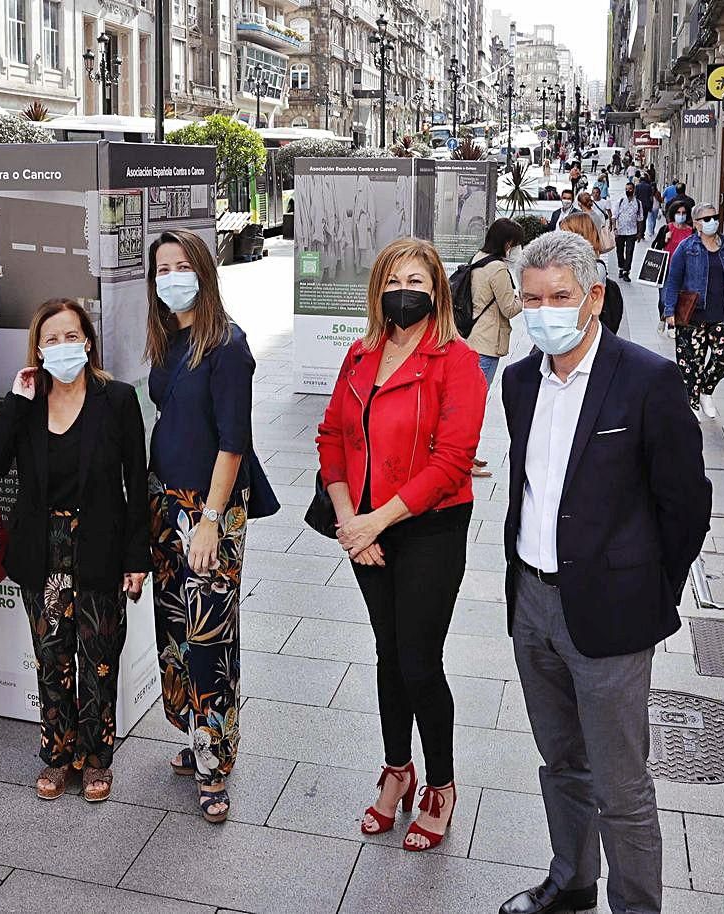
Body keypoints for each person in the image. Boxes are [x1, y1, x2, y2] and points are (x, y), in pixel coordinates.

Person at [497, 230, 712, 914]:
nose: (543, 310)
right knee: (560, 761)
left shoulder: (645, 379)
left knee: (621, 785)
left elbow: (685, 505)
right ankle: (570, 880)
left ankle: (636, 907)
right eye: (530, 299)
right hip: (531, 601)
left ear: (591, 297)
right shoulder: (517, 382)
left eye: (558, 296)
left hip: (612, 616)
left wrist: (649, 594)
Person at [316, 237, 486, 853]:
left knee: (419, 659)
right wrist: (348, 521)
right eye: (394, 280)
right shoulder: (361, 355)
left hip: (428, 526)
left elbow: (453, 461)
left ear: (437, 290)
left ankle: (439, 783)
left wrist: (376, 522)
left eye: (417, 282)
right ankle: (397, 769)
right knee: (388, 654)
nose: (404, 292)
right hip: (363, 526)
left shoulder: (455, 361)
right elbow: (331, 436)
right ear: (377, 288)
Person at [0, 298, 150, 803]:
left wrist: (136, 561)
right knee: (52, 658)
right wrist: (15, 401)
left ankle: (96, 758)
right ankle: (56, 753)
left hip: (100, 544)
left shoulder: (115, 399)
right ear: (37, 350)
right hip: (42, 550)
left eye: (70, 336)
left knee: (98, 659)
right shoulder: (28, 404)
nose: (62, 347)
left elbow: (135, 484)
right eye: (50, 340)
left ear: (88, 341)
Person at [146, 228, 274, 824]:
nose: (170, 275)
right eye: (161, 267)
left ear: (203, 269)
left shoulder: (230, 346)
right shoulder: (170, 338)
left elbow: (233, 443)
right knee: (174, 629)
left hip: (210, 509)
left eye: (180, 264)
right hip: (164, 503)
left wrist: (210, 522)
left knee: (209, 638)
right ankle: (193, 733)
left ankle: (215, 761)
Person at [661, 203, 724, 420]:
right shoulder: (687, 248)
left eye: (714, 217)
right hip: (693, 316)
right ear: (697, 224)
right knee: (691, 364)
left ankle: (706, 391)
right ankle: (691, 400)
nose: (712, 222)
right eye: (706, 219)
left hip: (722, 313)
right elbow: (672, 280)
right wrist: (669, 310)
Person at [467, 219, 525, 475]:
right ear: (508, 243)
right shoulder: (498, 269)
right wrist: (525, 296)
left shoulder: (478, 258)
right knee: (474, 406)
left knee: (469, 403)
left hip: (472, 337)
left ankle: (468, 455)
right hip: (487, 343)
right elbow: (509, 308)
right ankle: (465, 459)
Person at [559, 212, 623, 335]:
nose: (561, 239)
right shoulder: (571, 263)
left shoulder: (595, 269)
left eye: (565, 234)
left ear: (578, 235)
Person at [611, 182, 644, 280]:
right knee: (619, 251)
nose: (628, 191)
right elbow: (614, 216)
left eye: (630, 189)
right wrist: (614, 228)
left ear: (633, 190)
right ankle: (621, 267)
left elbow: (640, 218)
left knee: (629, 251)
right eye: (626, 189)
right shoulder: (620, 201)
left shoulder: (638, 203)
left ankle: (626, 271)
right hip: (620, 231)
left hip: (632, 232)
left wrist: (640, 233)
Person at [635, 173, 659, 240]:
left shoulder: (637, 186)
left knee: (638, 219)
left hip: (639, 206)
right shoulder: (648, 186)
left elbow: (635, 196)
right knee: (644, 220)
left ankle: (638, 233)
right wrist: (650, 206)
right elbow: (651, 197)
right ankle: (642, 234)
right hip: (646, 206)